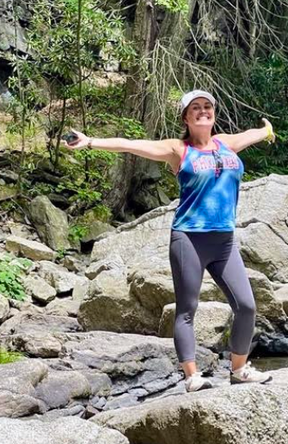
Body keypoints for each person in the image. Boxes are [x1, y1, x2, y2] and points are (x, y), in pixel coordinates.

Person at [67, 90, 276, 392]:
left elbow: (252, 134)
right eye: (196, 108)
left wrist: (266, 131)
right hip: (188, 239)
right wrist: (90, 142)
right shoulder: (178, 149)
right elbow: (132, 145)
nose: (203, 111)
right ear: (186, 117)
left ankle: (239, 368)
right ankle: (192, 377)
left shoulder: (226, 143)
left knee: (246, 305)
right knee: (187, 308)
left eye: (207, 106)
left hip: (224, 241)